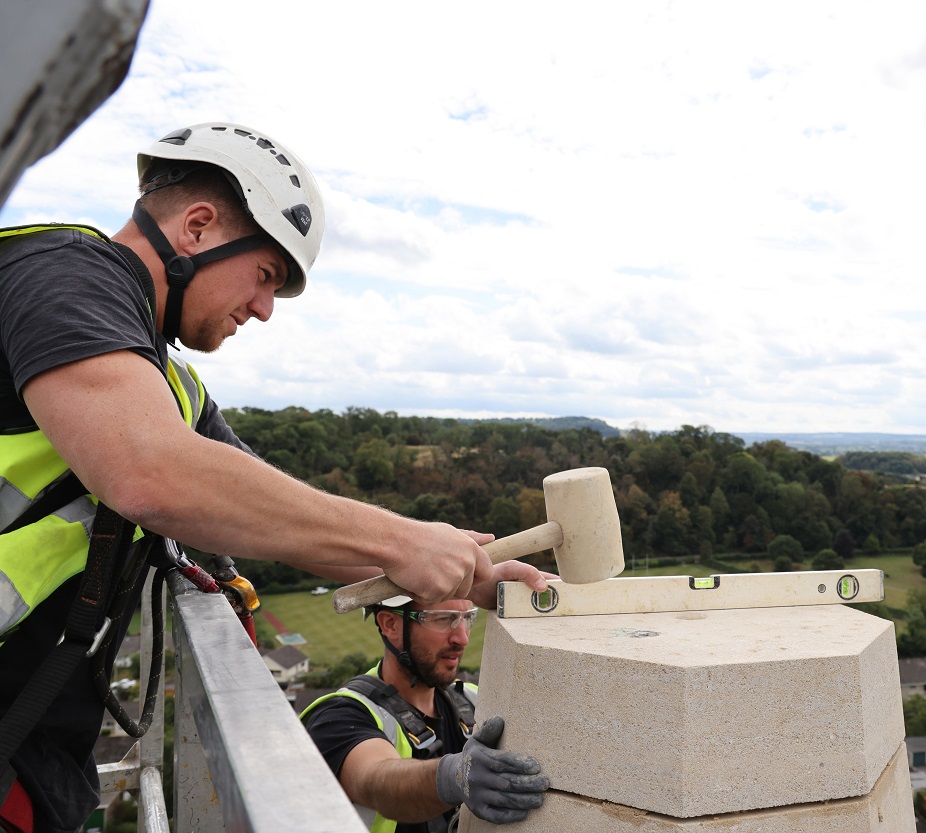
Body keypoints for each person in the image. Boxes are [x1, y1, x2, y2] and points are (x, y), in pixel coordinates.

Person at [0, 122, 546, 833]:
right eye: (265, 275)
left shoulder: (170, 387)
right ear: (197, 227)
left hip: (33, 748)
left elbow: (284, 520)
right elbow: (149, 472)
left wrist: (464, 574)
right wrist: (401, 536)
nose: (263, 309)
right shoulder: (64, 272)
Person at [301, 596, 548, 832]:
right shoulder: (339, 717)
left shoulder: (475, 701)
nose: (462, 638)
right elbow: (375, 781)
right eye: (443, 619)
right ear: (391, 624)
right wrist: (453, 778)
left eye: (466, 617)